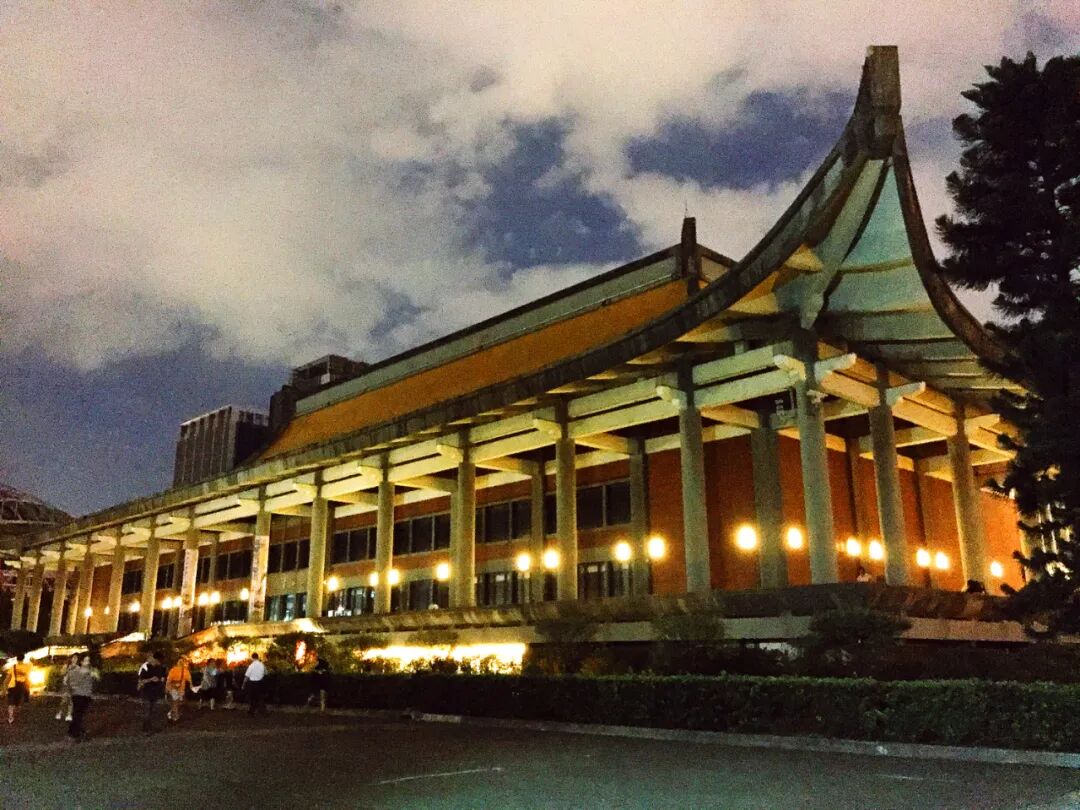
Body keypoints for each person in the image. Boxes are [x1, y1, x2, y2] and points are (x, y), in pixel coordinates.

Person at [64, 655, 94, 742]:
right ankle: (74, 733)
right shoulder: (78, 671)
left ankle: (76, 731)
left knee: (79, 715)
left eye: (88, 660)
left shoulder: (89, 671)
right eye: (85, 660)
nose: (88, 662)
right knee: (78, 715)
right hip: (79, 695)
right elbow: (70, 682)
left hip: (85, 695)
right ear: (81, 662)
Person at [137, 651, 167, 733]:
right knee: (147, 711)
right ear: (154, 659)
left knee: (152, 711)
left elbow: (162, 677)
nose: (159, 663)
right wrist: (150, 679)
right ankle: (145, 729)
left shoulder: (159, 667)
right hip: (146, 692)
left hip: (155, 693)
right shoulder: (145, 667)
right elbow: (140, 681)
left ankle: (149, 727)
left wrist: (161, 680)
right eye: (158, 661)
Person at [165, 656, 196, 722]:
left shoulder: (185, 671)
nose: (181, 662)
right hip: (173, 688)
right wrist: (167, 688)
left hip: (181, 689)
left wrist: (191, 685)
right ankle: (175, 717)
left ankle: (171, 713)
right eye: (180, 661)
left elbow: (189, 679)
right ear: (177, 662)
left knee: (180, 702)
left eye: (182, 661)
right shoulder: (173, 670)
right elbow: (169, 680)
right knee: (176, 701)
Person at [6, 654, 33, 725]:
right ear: (23, 659)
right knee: (15, 702)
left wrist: (4, 686)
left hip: (12, 686)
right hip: (20, 687)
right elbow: (28, 674)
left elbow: (8, 677)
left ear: (17, 659)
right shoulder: (27, 666)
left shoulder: (13, 666)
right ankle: (11, 716)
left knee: (11, 703)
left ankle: (10, 717)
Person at [55, 654, 79, 722]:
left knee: (71, 701)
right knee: (64, 700)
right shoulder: (67, 666)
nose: (74, 659)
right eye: (73, 658)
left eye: (76, 658)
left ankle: (69, 715)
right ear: (71, 659)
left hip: (73, 686)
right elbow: (62, 673)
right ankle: (59, 712)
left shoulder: (77, 668)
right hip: (66, 685)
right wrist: (66, 669)